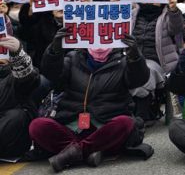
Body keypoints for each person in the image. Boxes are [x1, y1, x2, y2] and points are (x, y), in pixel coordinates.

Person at [29, 29, 151, 172]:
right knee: (37, 126)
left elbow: (139, 80)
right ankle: (89, 151)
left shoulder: (123, 60)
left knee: (126, 123)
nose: (99, 42)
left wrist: (135, 57)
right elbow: (53, 76)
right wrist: (55, 50)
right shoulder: (73, 57)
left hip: (105, 126)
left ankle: (73, 152)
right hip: (73, 125)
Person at [0, 35, 40, 160]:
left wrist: (17, 54)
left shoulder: (15, 75)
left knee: (16, 116)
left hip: (10, 135)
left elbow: (29, 78)